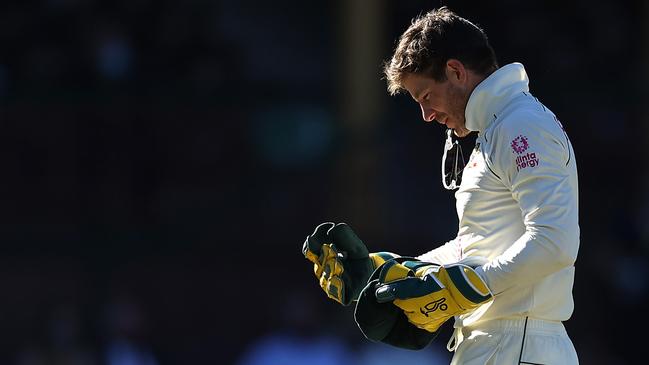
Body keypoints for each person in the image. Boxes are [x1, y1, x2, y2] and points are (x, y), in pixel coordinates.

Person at [302, 6, 580, 365]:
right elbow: (476, 249)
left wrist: (462, 289)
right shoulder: (500, 126)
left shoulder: (520, 124)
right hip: (500, 343)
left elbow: (555, 242)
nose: (426, 115)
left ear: (455, 71)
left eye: (425, 97)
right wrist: (380, 275)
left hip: (517, 344)